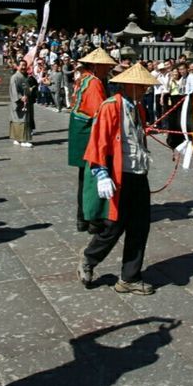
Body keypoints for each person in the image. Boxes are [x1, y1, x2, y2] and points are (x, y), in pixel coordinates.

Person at [78, 63, 158, 295]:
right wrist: (101, 172)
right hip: (118, 175)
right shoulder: (111, 106)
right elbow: (98, 141)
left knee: (140, 226)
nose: (145, 90)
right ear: (129, 85)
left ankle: (129, 277)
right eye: (141, 86)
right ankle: (88, 258)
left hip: (138, 173)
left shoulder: (139, 108)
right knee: (114, 225)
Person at [69, 48, 114, 232]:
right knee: (92, 176)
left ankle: (82, 218)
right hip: (89, 133)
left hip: (79, 131)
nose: (108, 70)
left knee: (83, 177)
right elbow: (99, 112)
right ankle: (94, 219)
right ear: (96, 65)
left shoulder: (83, 79)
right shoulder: (94, 82)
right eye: (106, 66)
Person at [9, 59, 33, 147]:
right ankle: (23, 140)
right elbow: (14, 90)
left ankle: (17, 139)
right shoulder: (15, 77)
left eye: (25, 65)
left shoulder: (23, 76)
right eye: (22, 65)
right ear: (17, 66)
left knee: (20, 120)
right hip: (19, 103)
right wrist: (20, 97)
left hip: (25, 101)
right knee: (21, 121)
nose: (23, 67)